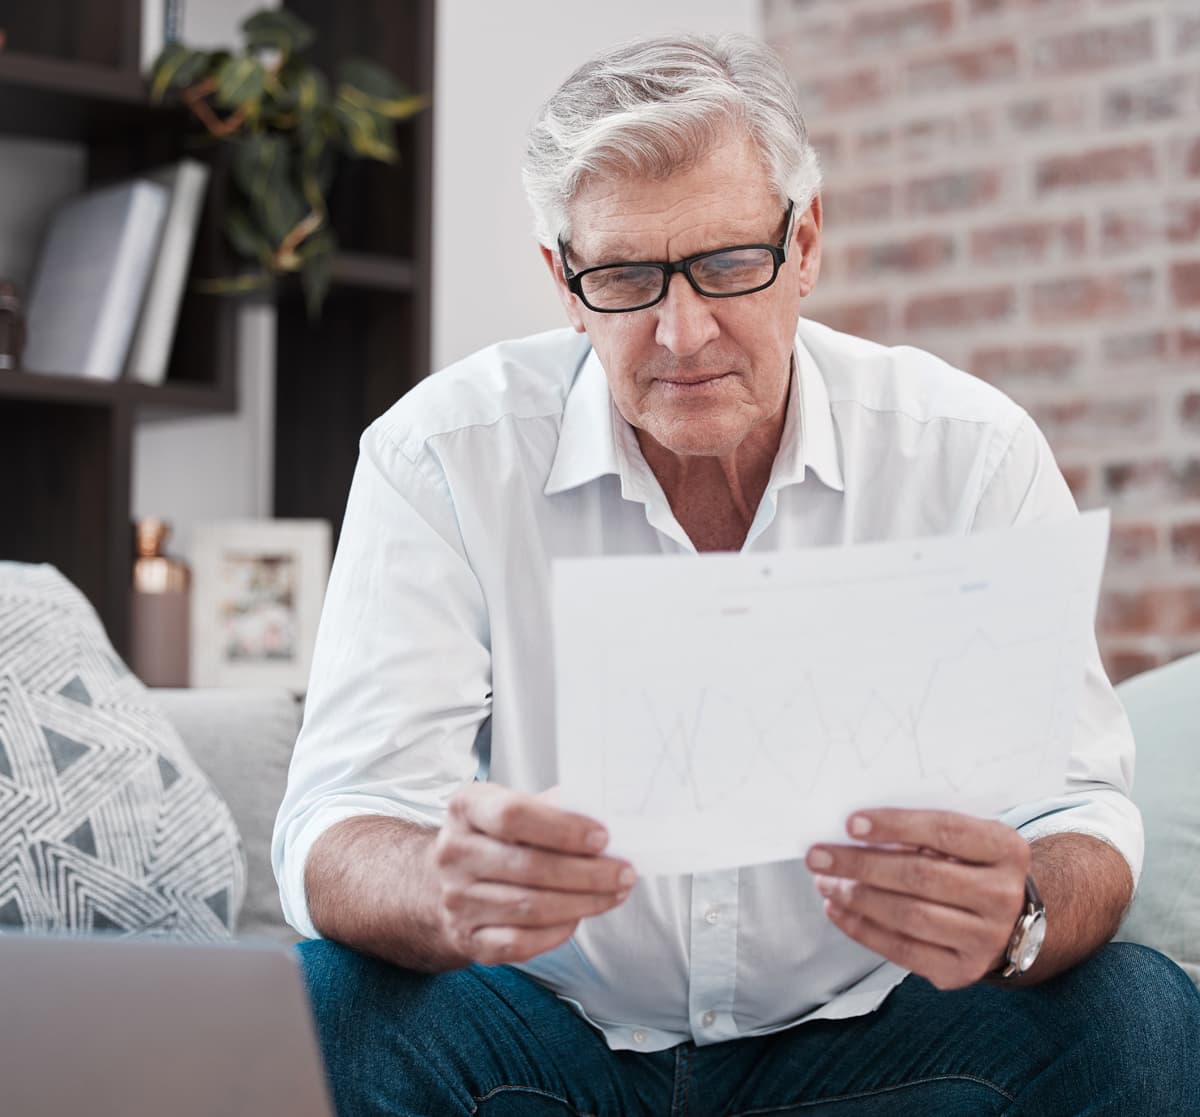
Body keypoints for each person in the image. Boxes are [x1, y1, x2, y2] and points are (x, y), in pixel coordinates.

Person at [273, 33, 1200, 1116]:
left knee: (1135, 1013)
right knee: (322, 1002)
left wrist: (1022, 913)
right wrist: (437, 884)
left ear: (805, 244)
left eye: (726, 266)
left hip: (869, 1041)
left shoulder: (966, 451)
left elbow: (1079, 806)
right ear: (563, 283)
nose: (681, 331)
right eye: (624, 276)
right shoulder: (439, 454)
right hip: (543, 1038)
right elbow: (340, 816)